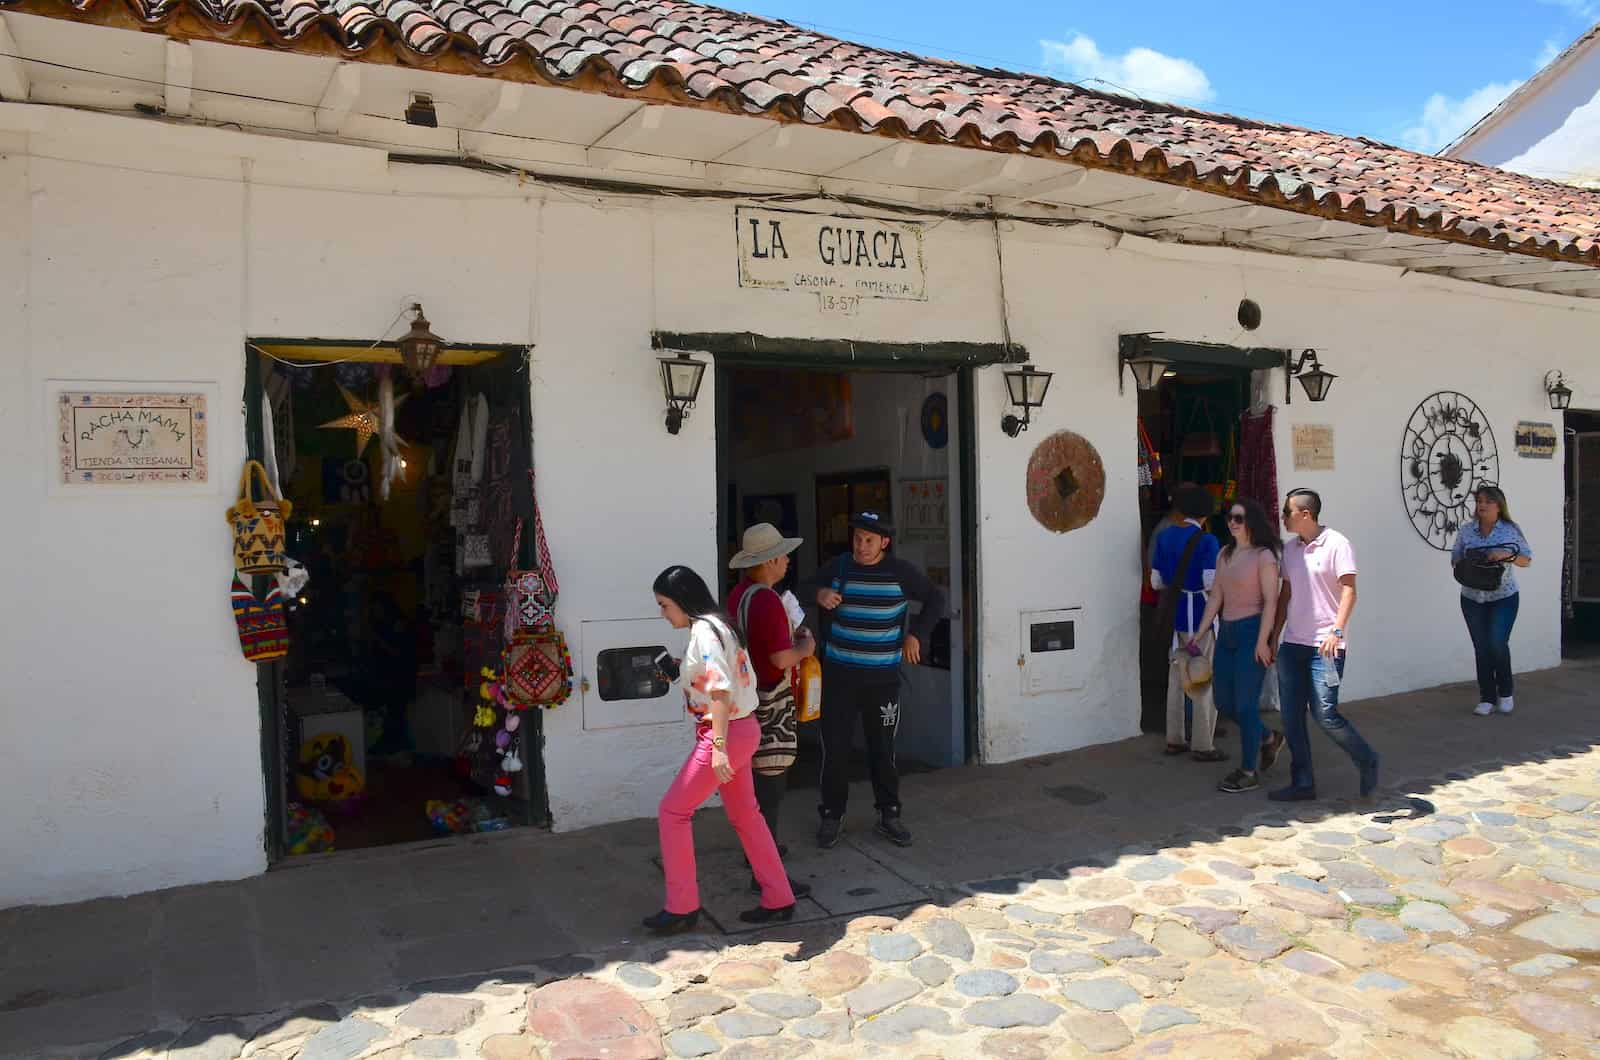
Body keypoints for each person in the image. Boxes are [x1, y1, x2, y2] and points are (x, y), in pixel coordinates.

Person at [643, 565, 802, 934]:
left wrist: (716, 747)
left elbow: (719, 691)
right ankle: (779, 897)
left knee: (673, 813)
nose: (663, 613)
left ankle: (682, 906)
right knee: (747, 815)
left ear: (682, 601)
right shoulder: (721, 625)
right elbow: (721, 679)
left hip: (724, 734)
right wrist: (682, 671)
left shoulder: (703, 632)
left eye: (665, 605)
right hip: (742, 729)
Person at [800, 511, 944, 850]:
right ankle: (832, 815)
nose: (861, 546)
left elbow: (936, 599)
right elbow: (800, 588)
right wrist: (819, 593)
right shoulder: (839, 567)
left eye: (869, 540)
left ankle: (889, 814)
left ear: (884, 542)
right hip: (839, 678)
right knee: (834, 749)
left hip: (882, 680)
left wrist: (917, 636)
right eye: (857, 539)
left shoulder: (900, 572)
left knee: (883, 749)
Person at [1269, 488, 1380, 802]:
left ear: (1305, 514)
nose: (1282, 518)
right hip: (1293, 643)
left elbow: (1349, 591)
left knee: (1325, 713)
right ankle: (1303, 782)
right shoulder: (1290, 550)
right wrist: (1275, 634)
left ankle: (1367, 759)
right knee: (1291, 716)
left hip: (1325, 646)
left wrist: (1337, 631)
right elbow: (1285, 595)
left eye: (1287, 512)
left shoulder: (1337, 544)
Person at [727, 523, 818, 887]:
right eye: (783, 555)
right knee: (772, 782)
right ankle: (765, 870)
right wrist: (806, 649)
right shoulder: (766, 600)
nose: (787, 561)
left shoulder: (740, 595)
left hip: (747, 698)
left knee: (755, 783)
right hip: (770, 699)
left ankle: (757, 852)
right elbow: (781, 658)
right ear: (771, 560)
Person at [1194, 497, 1286, 793]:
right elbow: (1217, 596)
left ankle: (1248, 771)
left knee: (1246, 705)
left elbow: (1272, 601)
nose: (1232, 523)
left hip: (1251, 631)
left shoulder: (1264, 557)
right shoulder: (1224, 554)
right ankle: (1268, 738)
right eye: (1229, 518)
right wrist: (1200, 632)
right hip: (1228, 633)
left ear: (1251, 522)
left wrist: (1263, 640)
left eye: (1238, 518)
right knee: (1224, 702)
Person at [1150, 484, 1224, 761]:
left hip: (1175, 615)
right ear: (1206, 513)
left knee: (1176, 678)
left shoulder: (1166, 536)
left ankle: (1175, 738)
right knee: (1202, 677)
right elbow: (1208, 582)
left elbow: (1156, 581)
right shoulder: (1207, 541)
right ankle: (1203, 744)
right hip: (1201, 617)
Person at [1452, 485, 1533, 716]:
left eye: (1488, 501)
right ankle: (1487, 697)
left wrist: (1504, 554)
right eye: (1479, 501)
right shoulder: (1467, 531)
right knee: (1481, 647)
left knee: (1497, 643)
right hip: (1471, 597)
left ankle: (1505, 693)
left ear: (1499, 506)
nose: (1482, 505)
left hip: (1503, 596)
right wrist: (1471, 562)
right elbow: (1455, 558)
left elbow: (1526, 560)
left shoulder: (1510, 530)